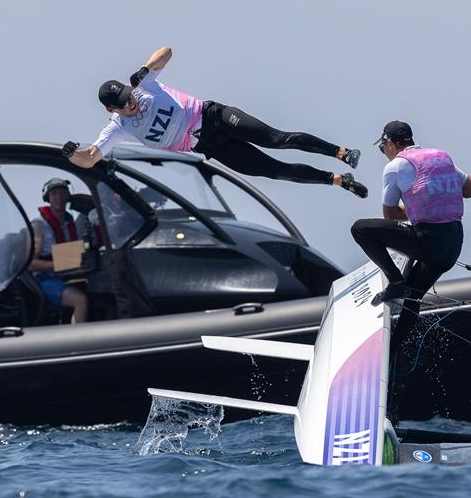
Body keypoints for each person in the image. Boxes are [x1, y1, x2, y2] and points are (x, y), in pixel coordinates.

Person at [63, 46, 367, 198]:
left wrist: (145, 69)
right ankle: (338, 180)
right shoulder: (118, 128)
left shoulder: (143, 86)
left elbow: (167, 52)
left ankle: (341, 152)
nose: (132, 103)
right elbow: (89, 159)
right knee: (275, 171)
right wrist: (69, 154)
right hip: (208, 146)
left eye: (130, 96)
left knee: (278, 139)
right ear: (111, 110)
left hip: (214, 117)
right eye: (124, 105)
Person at [350, 121, 471, 383]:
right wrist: (433, 198)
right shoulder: (440, 157)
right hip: (453, 245)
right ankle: (386, 362)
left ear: (391, 143)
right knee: (412, 300)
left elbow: (388, 215)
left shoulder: (396, 166)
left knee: (360, 229)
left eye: (382, 147)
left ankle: (395, 281)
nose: (384, 152)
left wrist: (416, 206)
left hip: (428, 243)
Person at [28, 178, 89, 324]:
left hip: (71, 276)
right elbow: (30, 263)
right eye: (54, 193)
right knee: (80, 301)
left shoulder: (70, 223)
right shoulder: (39, 223)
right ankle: (78, 343)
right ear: (47, 197)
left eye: (62, 193)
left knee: (105, 299)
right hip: (46, 279)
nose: (59, 197)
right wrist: (60, 265)